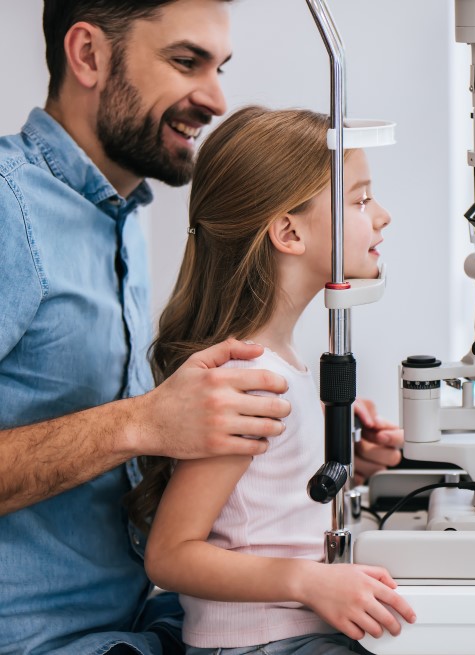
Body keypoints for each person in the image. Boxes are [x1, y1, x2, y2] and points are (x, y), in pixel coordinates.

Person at [0, 3, 401, 653]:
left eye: (221, 67)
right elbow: (171, 527)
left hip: (143, 627)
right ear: (88, 56)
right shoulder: (9, 210)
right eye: (186, 61)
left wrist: (325, 451)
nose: (216, 98)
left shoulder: (118, 216)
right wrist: (143, 422)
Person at [137, 105, 416, 654]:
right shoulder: (250, 380)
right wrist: (307, 582)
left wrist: (345, 461)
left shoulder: (276, 363)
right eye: (360, 199)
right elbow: (170, 553)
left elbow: (258, 507)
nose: (382, 216)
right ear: (288, 231)